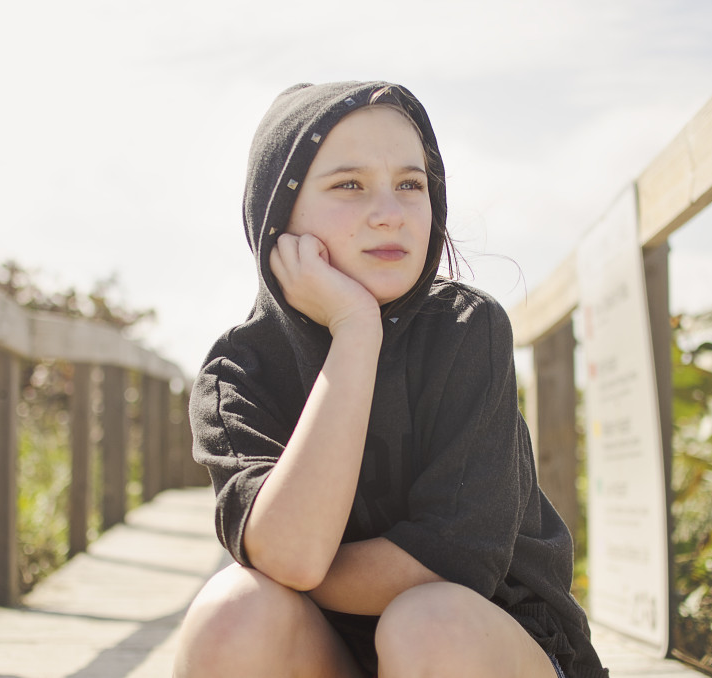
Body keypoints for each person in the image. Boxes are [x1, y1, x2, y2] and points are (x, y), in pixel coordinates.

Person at [173, 81, 609, 678]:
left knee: (425, 626)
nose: (390, 213)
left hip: (485, 644)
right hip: (331, 653)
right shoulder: (239, 374)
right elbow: (290, 555)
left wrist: (308, 572)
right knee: (232, 613)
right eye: (348, 185)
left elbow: (455, 562)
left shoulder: (466, 329)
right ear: (278, 214)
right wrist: (355, 333)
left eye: (411, 184)